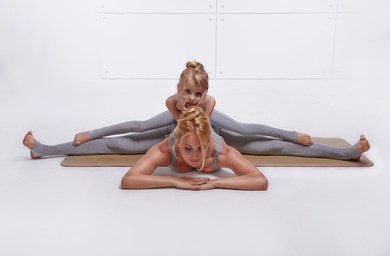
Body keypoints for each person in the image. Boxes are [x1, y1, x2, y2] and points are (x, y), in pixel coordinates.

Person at [22, 60, 370, 160]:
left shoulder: (209, 105)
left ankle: (349, 154)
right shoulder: (173, 104)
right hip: (171, 144)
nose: (192, 98)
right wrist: (92, 132)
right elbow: (139, 125)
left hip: (217, 144)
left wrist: (291, 134)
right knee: (116, 144)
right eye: (187, 91)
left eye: (198, 92)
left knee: (277, 148)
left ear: (206, 93)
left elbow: (244, 130)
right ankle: (44, 150)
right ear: (178, 90)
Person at [120, 106, 268, 191]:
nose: (196, 156)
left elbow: (260, 181)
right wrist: (173, 181)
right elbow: (128, 180)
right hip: (181, 123)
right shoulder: (165, 150)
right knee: (127, 144)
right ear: (177, 144)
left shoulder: (221, 152)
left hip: (212, 125)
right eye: (188, 149)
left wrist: (216, 183)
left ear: (208, 141)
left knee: (255, 141)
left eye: (201, 148)